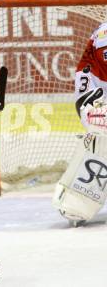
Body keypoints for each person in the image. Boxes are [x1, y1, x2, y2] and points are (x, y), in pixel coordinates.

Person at [53, 22, 107, 227]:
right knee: (102, 135)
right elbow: (88, 109)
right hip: (97, 100)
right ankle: (78, 201)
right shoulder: (104, 37)